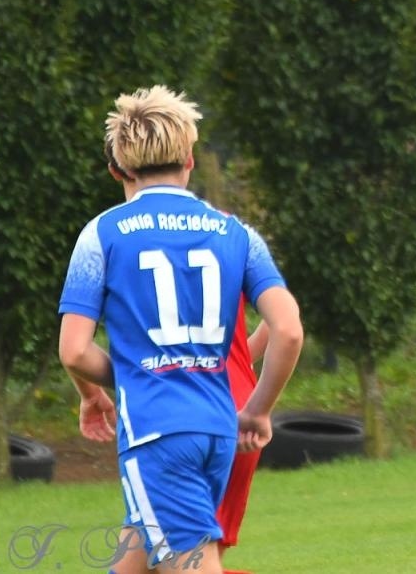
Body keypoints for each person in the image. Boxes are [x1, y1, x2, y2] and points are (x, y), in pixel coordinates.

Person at [60, 86, 303, 573]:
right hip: (216, 428)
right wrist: (257, 411)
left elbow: (73, 351)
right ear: (189, 158)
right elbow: (289, 330)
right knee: (136, 561)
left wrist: (110, 386)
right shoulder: (236, 233)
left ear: (124, 166)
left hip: (157, 432)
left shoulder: (102, 234)